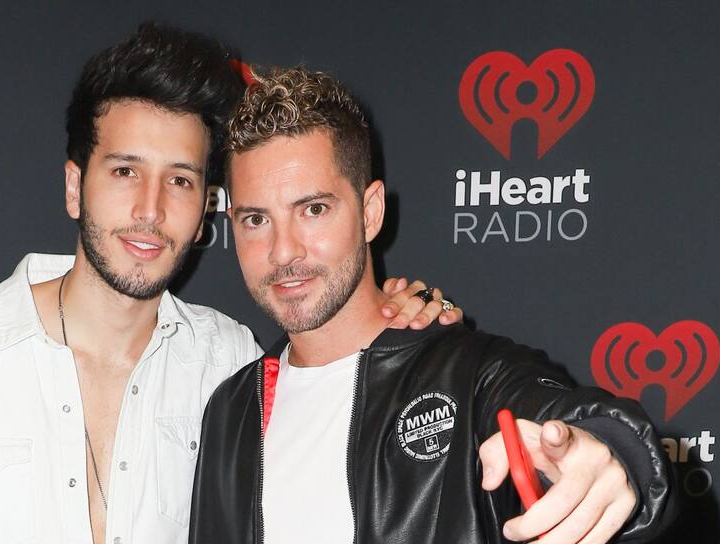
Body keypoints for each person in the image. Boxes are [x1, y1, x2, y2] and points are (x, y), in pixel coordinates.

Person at [0, 24, 462, 544]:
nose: (151, 210)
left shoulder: (230, 364)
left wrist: (395, 320)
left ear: (206, 206)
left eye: (180, 179)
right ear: (75, 186)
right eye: (125, 171)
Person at [189, 66, 676, 544]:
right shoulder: (231, 410)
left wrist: (613, 454)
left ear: (370, 212)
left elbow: (565, 420)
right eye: (256, 220)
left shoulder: (472, 374)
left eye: (313, 210)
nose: (283, 251)